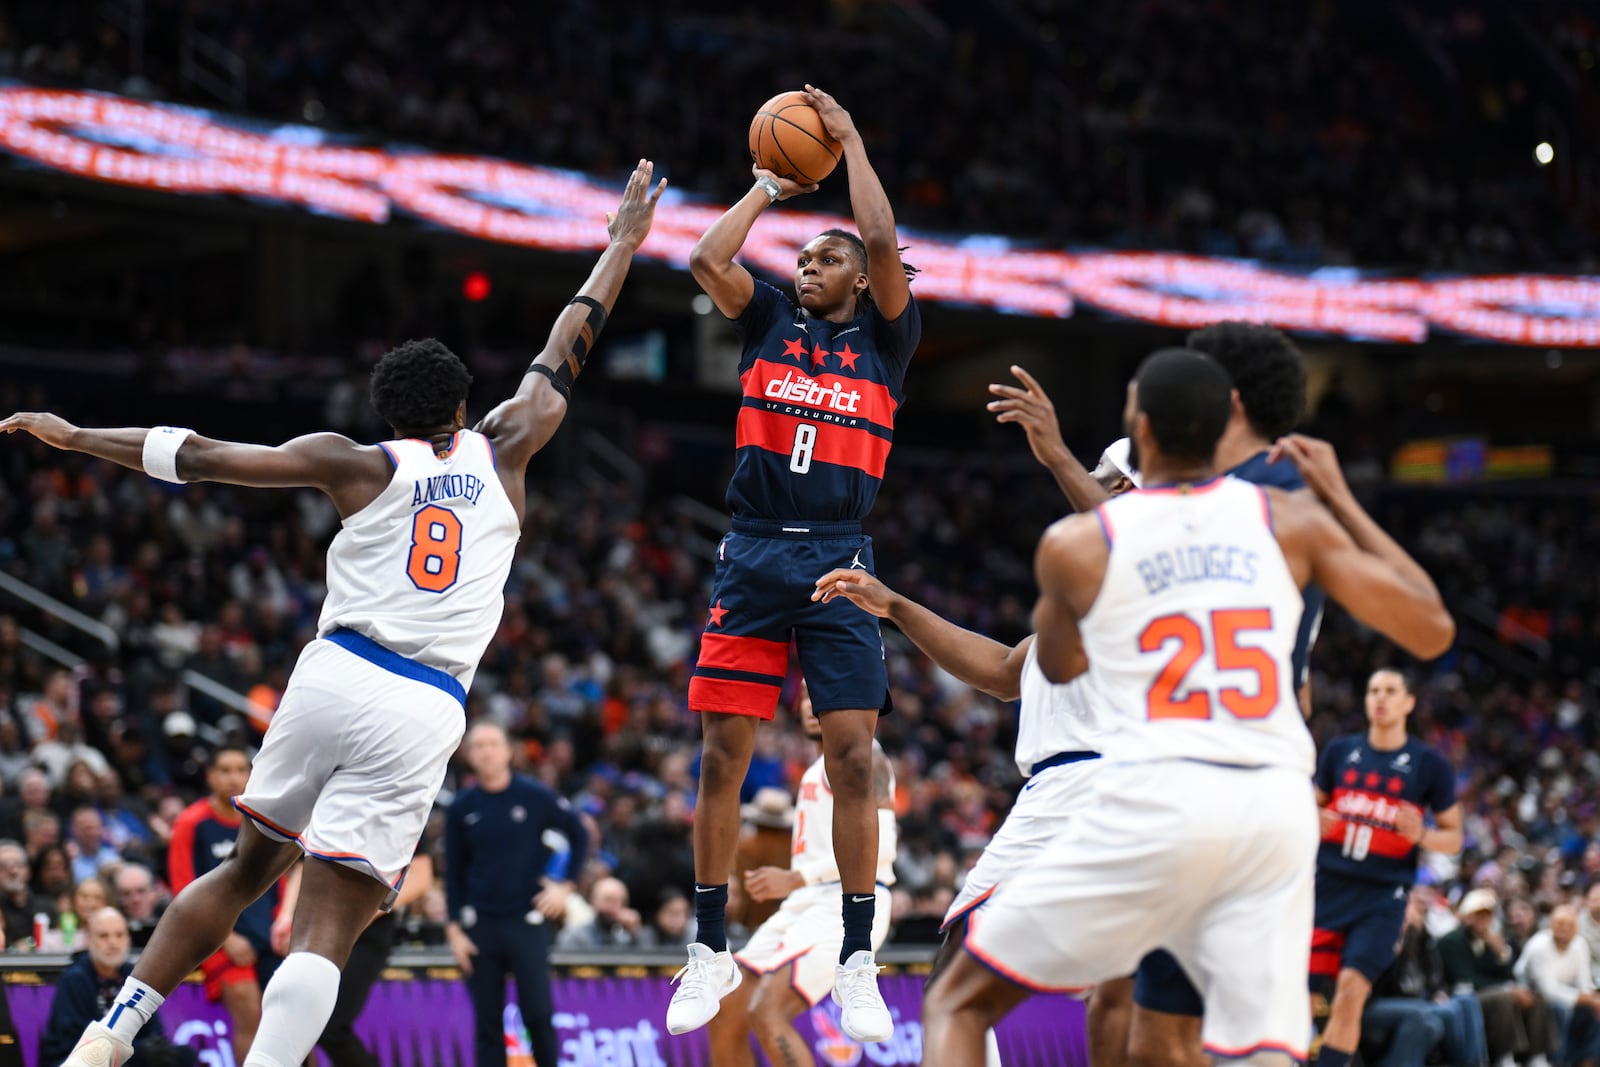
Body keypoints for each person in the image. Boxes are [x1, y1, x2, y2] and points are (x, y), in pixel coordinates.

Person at [4, 159, 666, 1067]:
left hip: (333, 672)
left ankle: (106, 1035)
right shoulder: (509, 444)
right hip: (425, 701)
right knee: (329, 921)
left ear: (384, 413)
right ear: (466, 405)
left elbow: (201, 456)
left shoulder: (356, 461)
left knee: (244, 870)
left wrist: (76, 436)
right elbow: (567, 342)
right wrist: (621, 240)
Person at [922, 347, 1455, 1067]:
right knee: (1224, 1044)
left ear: (1141, 427)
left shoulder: (1081, 543)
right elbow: (1431, 627)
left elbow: (1055, 665)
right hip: (1272, 807)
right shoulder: (1288, 522)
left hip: (1163, 792)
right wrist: (1342, 494)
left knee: (956, 996)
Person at [984, 322, 1325, 1067]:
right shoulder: (1296, 497)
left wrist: (1056, 455)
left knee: (965, 994)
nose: (1112, 497)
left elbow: (1122, 538)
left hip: (1188, 772)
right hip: (1257, 781)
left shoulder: (1225, 498)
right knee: (1161, 1012)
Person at [671, 85, 920, 1044]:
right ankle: (704, 942)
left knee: (854, 755)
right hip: (755, 548)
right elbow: (705, 257)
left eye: (826, 260)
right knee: (723, 754)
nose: (808, 267)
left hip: (839, 563)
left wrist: (851, 139)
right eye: (805, 259)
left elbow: (885, 241)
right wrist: (766, 190)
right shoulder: (768, 315)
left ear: (859, 280)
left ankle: (858, 959)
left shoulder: (888, 340)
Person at [706, 688, 897, 1067]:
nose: (812, 704)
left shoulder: (866, 755)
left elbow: (885, 846)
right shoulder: (815, 766)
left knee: (767, 1012)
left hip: (849, 901)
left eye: (823, 693)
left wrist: (797, 878)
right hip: (805, 902)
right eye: (806, 696)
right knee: (726, 1005)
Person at [1312, 668, 1463, 1067]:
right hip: (1326, 885)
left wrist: (1423, 835)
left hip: (1382, 895)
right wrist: (1313, 816)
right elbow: (1308, 805)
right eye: (1373, 690)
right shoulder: (1340, 752)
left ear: (1409, 702)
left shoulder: (1429, 764)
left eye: (1390, 690)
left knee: (1351, 990)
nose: (1380, 697)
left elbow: (1455, 836)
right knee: (1302, 994)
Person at [446, 722, 589, 1067]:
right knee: (488, 1023)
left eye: (493, 743)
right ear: (469, 755)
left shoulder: (535, 795)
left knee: (538, 1014)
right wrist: (453, 930)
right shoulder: (461, 807)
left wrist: (565, 887)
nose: (486, 751)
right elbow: (453, 872)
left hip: (526, 920)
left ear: (509, 751)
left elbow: (580, 833)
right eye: (478, 745)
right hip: (480, 927)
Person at [166, 746, 282, 1064]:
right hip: (220, 942)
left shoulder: (264, 820)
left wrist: (282, 924)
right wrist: (227, 940)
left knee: (293, 1021)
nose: (233, 778)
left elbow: (282, 881)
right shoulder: (192, 823)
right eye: (225, 770)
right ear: (211, 776)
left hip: (269, 936)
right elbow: (183, 889)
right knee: (251, 1020)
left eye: (240, 770)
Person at [40, 908, 190, 1067]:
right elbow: (75, 1043)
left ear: (128, 939)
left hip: (128, 1058)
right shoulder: (75, 979)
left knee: (184, 1055)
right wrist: (140, 1052)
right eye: (104, 936)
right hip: (82, 1059)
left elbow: (154, 1033)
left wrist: (152, 1052)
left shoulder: (135, 973)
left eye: (119, 935)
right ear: (89, 940)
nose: (113, 942)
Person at [1439, 889, 1560, 1067]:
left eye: (1486, 915)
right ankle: (1505, 1057)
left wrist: (1502, 954)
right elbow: (1465, 978)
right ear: (1466, 916)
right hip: (1464, 996)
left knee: (1534, 995)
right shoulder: (1451, 941)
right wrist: (1508, 989)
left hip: (1490, 992)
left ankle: (1537, 1057)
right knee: (1504, 997)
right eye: (1477, 915)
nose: (1482, 920)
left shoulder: (1492, 939)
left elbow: (1510, 975)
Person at [1517, 905, 1600, 1066]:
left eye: (1569, 925)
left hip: (1566, 994)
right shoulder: (1539, 946)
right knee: (1561, 1009)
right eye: (1559, 924)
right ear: (1550, 925)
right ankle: (1557, 1061)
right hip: (1533, 995)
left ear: (1576, 928)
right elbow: (1548, 991)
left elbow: (1584, 983)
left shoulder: (1580, 945)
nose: (1564, 929)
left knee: (1594, 1012)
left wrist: (1593, 1001)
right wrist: (1589, 1000)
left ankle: (1587, 1060)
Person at [557, 877, 647, 949]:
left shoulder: (628, 936)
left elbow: (651, 962)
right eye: (609, 900)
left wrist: (636, 932)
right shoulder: (576, 936)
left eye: (622, 902)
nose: (616, 908)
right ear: (593, 901)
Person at [0, 839, 56, 946]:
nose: (13, 871)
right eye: (4, 866)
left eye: (18, 865)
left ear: (28, 871)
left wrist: (29, 944)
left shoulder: (47, 906)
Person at [112, 864, 163, 949]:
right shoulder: (111, 928)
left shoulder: (171, 923)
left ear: (154, 893)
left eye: (141, 891)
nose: (135, 900)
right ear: (118, 898)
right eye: (127, 894)